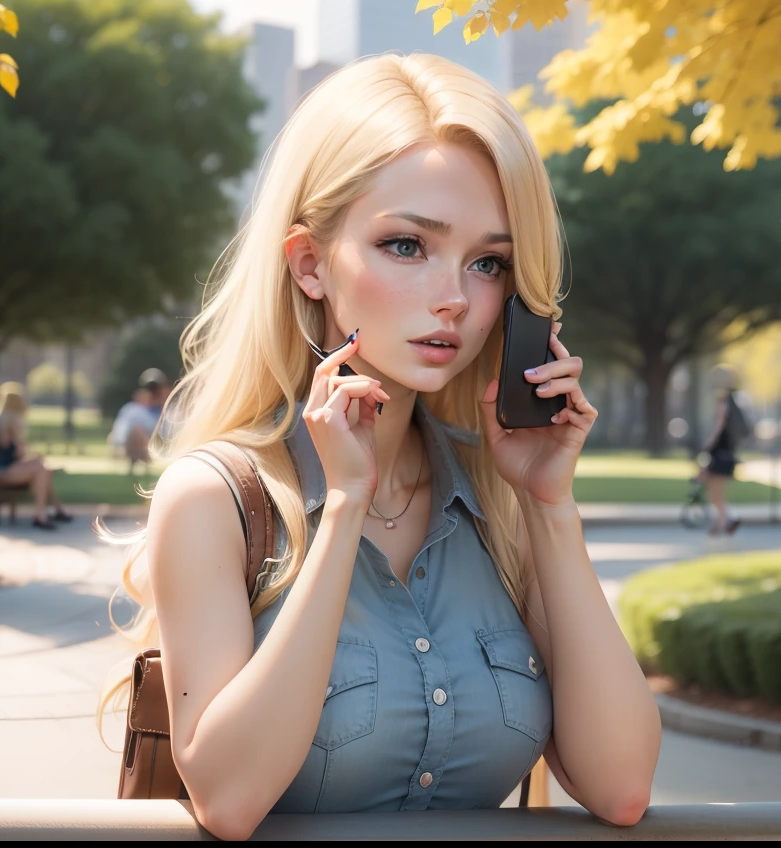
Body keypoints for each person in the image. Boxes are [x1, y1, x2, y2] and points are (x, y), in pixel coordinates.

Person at [97, 55, 658, 839]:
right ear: (311, 263)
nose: (456, 298)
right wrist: (344, 506)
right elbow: (227, 796)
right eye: (407, 246)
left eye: (488, 263)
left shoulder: (499, 498)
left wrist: (550, 506)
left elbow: (622, 784)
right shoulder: (217, 499)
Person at [0, 381, 71, 530]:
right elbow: (17, 452)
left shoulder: (1, 420)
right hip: (0, 471)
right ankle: (44, 514)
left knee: (42, 466)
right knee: (43, 469)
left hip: (5, 468)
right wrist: (18, 438)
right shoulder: (7, 423)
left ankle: (52, 511)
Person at [698, 364, 748, 536]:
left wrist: (708, 444)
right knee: (717, 492)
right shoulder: (735, 402)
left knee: (715, 492)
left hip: (720, 454)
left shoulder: (723, 403)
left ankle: (724, 522)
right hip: (728, 454)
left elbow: (718, 427)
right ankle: (725, 521)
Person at [109, 381, 162, 475]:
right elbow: (121, 425)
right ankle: (142, 460)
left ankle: (141, 460)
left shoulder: (147, 411)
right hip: (128, 437)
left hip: (140, 438)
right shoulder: (131, 409)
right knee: (136, 431)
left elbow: (152, 427)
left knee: (137, 432)